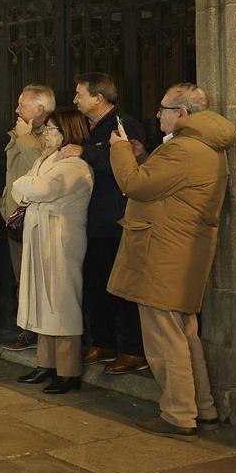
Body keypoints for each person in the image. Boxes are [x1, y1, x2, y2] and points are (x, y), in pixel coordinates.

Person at [107, 83, 236, 440]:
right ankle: (203, 408)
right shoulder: (202, 148)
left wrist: (119, 150)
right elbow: (165, 186)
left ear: (182, 113)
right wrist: (142, 153)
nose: (158, 114)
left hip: (163, 253)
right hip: (180, 252)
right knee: (185, 334)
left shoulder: (184, 149)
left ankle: (178, 414)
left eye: (163, 108)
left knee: (165, 339)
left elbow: (134, 184)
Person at [65, 72, 148, 374]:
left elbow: (129, 165)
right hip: (92, 220)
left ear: (98, 98)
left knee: (120, 287)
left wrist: (85, 152)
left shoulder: (124, 125)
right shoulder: (89, 127)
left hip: (115, 219)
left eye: (79, 94)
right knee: (97, 284)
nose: (75, 100)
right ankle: (102, 341)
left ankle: (132, 349)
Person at [11, 110, 94, 394]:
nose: (45, 134)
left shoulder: (73, 165)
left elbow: (40, 188)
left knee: (61, 300)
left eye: (50, 129)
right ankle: (46, 363)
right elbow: (20, 190)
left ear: (66, 132)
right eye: (45, 130)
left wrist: (25, 187)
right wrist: (25, 187)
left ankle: (68, 370)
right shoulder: (44, 159)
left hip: (60, 239)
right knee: (41, 298)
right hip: (40, 234)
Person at [0, 85, 56, 350]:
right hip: (14, 216)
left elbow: (43, 167)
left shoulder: (52, 134)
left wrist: (24, 138)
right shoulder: (19, 133)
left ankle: (37, 332)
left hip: (36, 217)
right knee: (21, 275)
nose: (17, 110)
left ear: (40, 110)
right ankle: (26, 329)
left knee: (36, 277)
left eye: (23, 105)